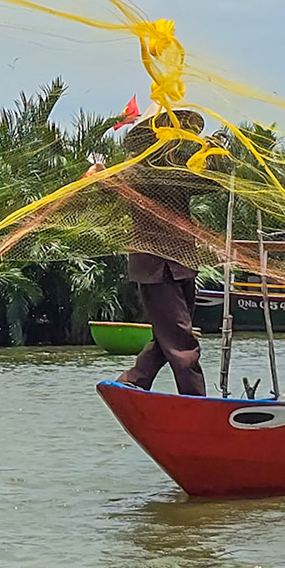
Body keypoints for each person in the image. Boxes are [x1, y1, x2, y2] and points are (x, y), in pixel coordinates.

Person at [115, 108, 216, 396]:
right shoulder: (135, 170)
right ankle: (197, 403)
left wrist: (215, 156)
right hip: (155, 267)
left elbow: (211, 184)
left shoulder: (179, 173)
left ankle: (132, 382)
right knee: (182, 342)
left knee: (168, 336)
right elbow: (107, 186)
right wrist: (96, 175)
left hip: (183, 263)